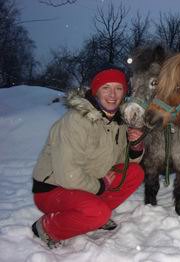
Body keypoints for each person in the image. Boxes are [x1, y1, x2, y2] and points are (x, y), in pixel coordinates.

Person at [31, 67, 145, 248]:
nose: (113, 94)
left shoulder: (118, 121)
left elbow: (122, 163)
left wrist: (136, 145)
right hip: (54, 190)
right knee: (97, 213)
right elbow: (68, 174)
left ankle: (97, 212)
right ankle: (46, 227)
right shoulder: (76, 121)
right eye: (106, 87)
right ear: (95, 91)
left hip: (88, 184)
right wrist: (101, 186)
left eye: (118, 88)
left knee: (134, 172)